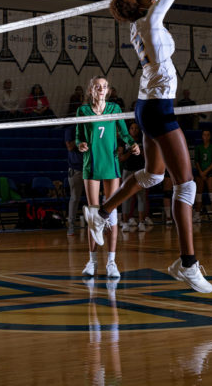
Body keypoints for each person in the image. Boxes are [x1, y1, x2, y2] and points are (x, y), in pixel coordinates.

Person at [85, 0, 212, 294]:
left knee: (152, 176)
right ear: (146, 5)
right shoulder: (153, 21)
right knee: (186, 187)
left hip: (145, 106)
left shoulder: (137, 25)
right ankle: (188, 263)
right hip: (159, 110)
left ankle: (103, 211)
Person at [76, 76, 139, 278]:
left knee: (111, 214)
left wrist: (132, 144)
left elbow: (124, 133)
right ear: (91, 90)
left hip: (111, 164)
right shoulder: (83, 111)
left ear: (108, 90)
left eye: (104, 86)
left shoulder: (115, 109)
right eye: (97, 86)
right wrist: (81, 144)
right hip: (91, 164)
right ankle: (92, 262)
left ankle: (111, 262)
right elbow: (79, 136)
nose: (101, 89)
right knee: (94, 216)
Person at [119, 122, 151, 232]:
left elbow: (148, 156)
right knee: (125, 196)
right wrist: (130, 152)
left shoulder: (142, 140)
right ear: (129, 130)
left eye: (136, 128)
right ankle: (125, 222)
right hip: (127, 171)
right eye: (132, 128)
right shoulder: (123, 141)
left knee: (141, 196)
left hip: (140, 170)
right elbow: (121, 158)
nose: (134, 130)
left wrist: (139, 151)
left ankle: (141, 222)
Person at [193, 129, 212, 224]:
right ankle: (197, 216)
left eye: (208, 135)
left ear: (210, 136)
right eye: (204, 135)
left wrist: (205, 172)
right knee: (198, 195)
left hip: (209, 173)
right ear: (202, 136)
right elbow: (196, 161)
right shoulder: (198, 147)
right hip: (200, 173)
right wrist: (201, 172)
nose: (206, 137)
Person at [64, 124, 85, 236]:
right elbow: (70, 146)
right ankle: (71, 226)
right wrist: (80, 143)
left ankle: (96, 225)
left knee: (94, 198)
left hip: (89, 168)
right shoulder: (71, 129)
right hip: (76, 169)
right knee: (75, 198)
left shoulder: (90, 127)